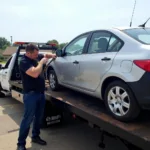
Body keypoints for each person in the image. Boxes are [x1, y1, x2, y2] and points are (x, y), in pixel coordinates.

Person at [17, 44, 56, 150]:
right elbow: (35, 73)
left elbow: (46, 55)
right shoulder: (24, 62)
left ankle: (35, 136)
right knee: (27, 119)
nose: (37, 56)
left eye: (37, 54)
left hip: (40, 93)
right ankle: (21, 143)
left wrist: (53, 55)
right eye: (35, 54)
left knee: (38, 118)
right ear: (28, 53)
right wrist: (42, 62)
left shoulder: (36, 56)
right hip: (30, 95)